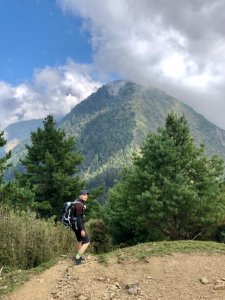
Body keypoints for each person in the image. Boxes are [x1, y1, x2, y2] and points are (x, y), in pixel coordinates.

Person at [72, 190, 90, 265]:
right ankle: (77, 258)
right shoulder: (79, 205)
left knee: (79, 240)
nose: (86, 196)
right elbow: (79, 218)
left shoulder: (76, 202)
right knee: (86, 242)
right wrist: (82, 229)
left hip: (74, 225)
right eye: (83, 194)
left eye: (86, 194)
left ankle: (78, 256)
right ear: (80, 196)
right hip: (78, 226)